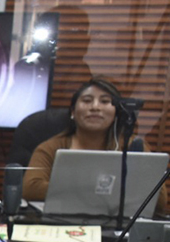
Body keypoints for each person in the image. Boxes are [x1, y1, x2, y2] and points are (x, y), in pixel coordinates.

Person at [22, 77, 166, 212]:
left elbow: (159, 201)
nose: (95, 107)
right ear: (72, 112)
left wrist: (73, 190)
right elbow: (30, 188)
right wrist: (102, 190)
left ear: (116, 112)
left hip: (119, 229)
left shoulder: (134, 146)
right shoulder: (51, 147)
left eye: (104, 101)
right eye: (87, 100)